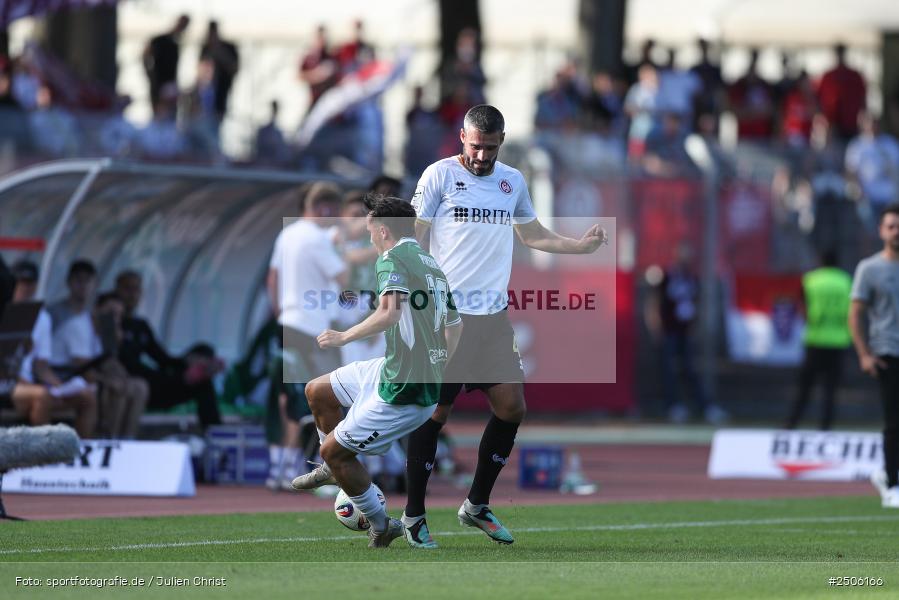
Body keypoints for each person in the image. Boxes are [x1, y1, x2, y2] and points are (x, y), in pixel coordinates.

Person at [405, 104, 605, 546]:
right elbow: (416, 233)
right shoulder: (438, 176)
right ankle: (414, 514)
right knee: (434, 413)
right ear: (462, 137)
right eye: (476, 146)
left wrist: (579, 247)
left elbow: (531, 235)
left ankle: (476, 504)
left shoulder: (511, 180)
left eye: (490, 148)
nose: (481, 156)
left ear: (502, 143)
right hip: (446, 316)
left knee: (512, 408)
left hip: (492, 318)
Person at [292, 195, 463, 548]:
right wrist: (439, 363)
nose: (369, 237)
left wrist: (344, 336)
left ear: (383, 230)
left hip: (404, 390)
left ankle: (380, 523)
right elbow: (456, 326)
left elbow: (390, 313)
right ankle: (334, 469)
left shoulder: (392, 258)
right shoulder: (432, 264)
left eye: (370, 231)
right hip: (394, 369)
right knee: (317, 391)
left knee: (336, 453)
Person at [265, 183, 347, 490]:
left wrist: (279, 312)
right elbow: (344, 278)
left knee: (288, 398)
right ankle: (323, 468)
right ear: (324, 208)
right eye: (335, 212)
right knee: (320, 399)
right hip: (314, 330)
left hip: (287, 323)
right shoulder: (317, 238)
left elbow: (271, 278)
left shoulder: (286, 234)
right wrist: (343, 248)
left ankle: (281, 470)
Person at [115, 271, 223, 431]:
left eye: (136, 289)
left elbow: (163, 359)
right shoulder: (111, 324)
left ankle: (215, 434)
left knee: (203, 376)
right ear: (117, 290)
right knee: (145, 384)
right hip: (135, 383)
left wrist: (189, 362)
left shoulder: (141, 326)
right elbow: (126, 362)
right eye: (127, 289)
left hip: (156, 384)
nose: (132, 295)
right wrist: (171, 378)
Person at [849, 203, 899, 508]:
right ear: (881, 231)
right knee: (894, 421)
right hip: (888, 352)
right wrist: (864, 354)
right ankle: (892, 483)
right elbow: (855, 314)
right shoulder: (870, 268)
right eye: (891, 225)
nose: (897, 231)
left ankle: (887, 473)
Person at [11, 260, 97, 438]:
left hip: (28, 385)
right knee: (42, 396)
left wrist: (59, 385)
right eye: (20, 282)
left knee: (86, 396)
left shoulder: (41, 317)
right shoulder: (5, 311)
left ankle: (81, 455)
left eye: (30, 283)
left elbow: (41, 365)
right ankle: (41, 455)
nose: (25, 287)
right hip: (9, 385)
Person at [644, 241, 727, 424]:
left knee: (689, 369)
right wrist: (655, 326)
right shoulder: (666, 276)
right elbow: (655, 302)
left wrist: (694, 326)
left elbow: (695, 304)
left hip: (685, 331)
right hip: (669, 330)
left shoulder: (691, 278)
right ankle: (673, 406)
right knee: (668, 370)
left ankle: (704, 407)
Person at [785, 250, 852, 430]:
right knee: (830, 389)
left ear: (820, 260)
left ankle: (792, 424)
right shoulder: (846, 281)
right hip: (838, 340)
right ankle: (825, 427)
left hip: (815, 339)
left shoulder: (811, 280)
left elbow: (802, 308)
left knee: (805, 387)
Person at [143, 14, 190, 112]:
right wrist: (150, 75)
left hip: (170, 87)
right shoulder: (159, 40)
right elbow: (145, 55)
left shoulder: (176, 44)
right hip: (158, 85)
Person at [199, 20, 239, 122]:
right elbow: (201, 69)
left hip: (222, 91)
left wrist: (219, 53)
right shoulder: (205, 48)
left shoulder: (228, 47)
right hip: (206, 93)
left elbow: (234, 68)